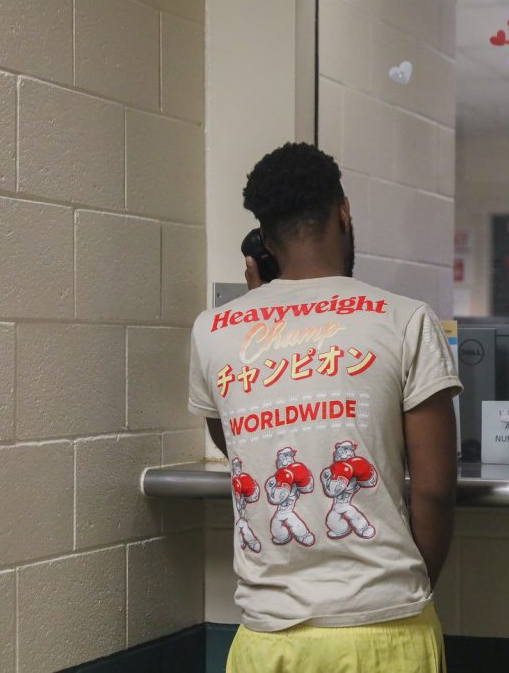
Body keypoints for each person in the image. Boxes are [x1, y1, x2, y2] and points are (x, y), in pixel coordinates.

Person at [188, 142, 462, 673]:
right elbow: (434, 487)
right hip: (386, 632)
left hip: (269, 639)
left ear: (263, 240)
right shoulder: (405, 319)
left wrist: (260, 310)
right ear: (344, 212)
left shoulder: (214, 330)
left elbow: (235, 442)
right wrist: (404, 588)